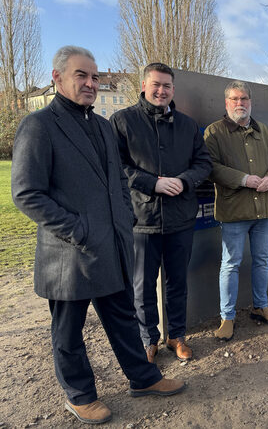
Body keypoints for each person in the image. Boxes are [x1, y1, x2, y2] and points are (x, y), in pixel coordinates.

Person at [11, 46, 184, 425]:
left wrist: (122, 219)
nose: (90, 83)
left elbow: (119, 181)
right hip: (69, 255)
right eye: (81, 76)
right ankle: (80, 395)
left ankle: (143, 378)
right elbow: (26, 193)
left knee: (123, 319)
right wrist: (78, 229)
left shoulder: (103, 126)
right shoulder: (39, 125)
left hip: (112, 246)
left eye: (94, 77)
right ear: (57, 78)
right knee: (68, 332)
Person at [110, 63, 212, 363]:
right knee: (142, 286)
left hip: (181, 218)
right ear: (144, 85)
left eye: (167, 86)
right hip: (141, 219)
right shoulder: (121, 121)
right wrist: (152, 183)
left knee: (177, 282)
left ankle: (177, 335)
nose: (161, 90)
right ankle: (148, 339)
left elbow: (203, 164)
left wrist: (183, 180)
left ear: (173, 90)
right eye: (156, 84)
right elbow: (115, 167)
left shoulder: (188, 125)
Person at [204, 80, 268, 341]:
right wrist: (243, 179)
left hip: (263, 210)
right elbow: (210, 167)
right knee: (230, 264)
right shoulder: (214, 132)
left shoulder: (263, 129)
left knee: (262, 260)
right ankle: (227, 317)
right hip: (234, 212)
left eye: (245, 99)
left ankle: (261, 306)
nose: (240, 104)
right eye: (235, 99)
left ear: (251, 102)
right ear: (227, 103)